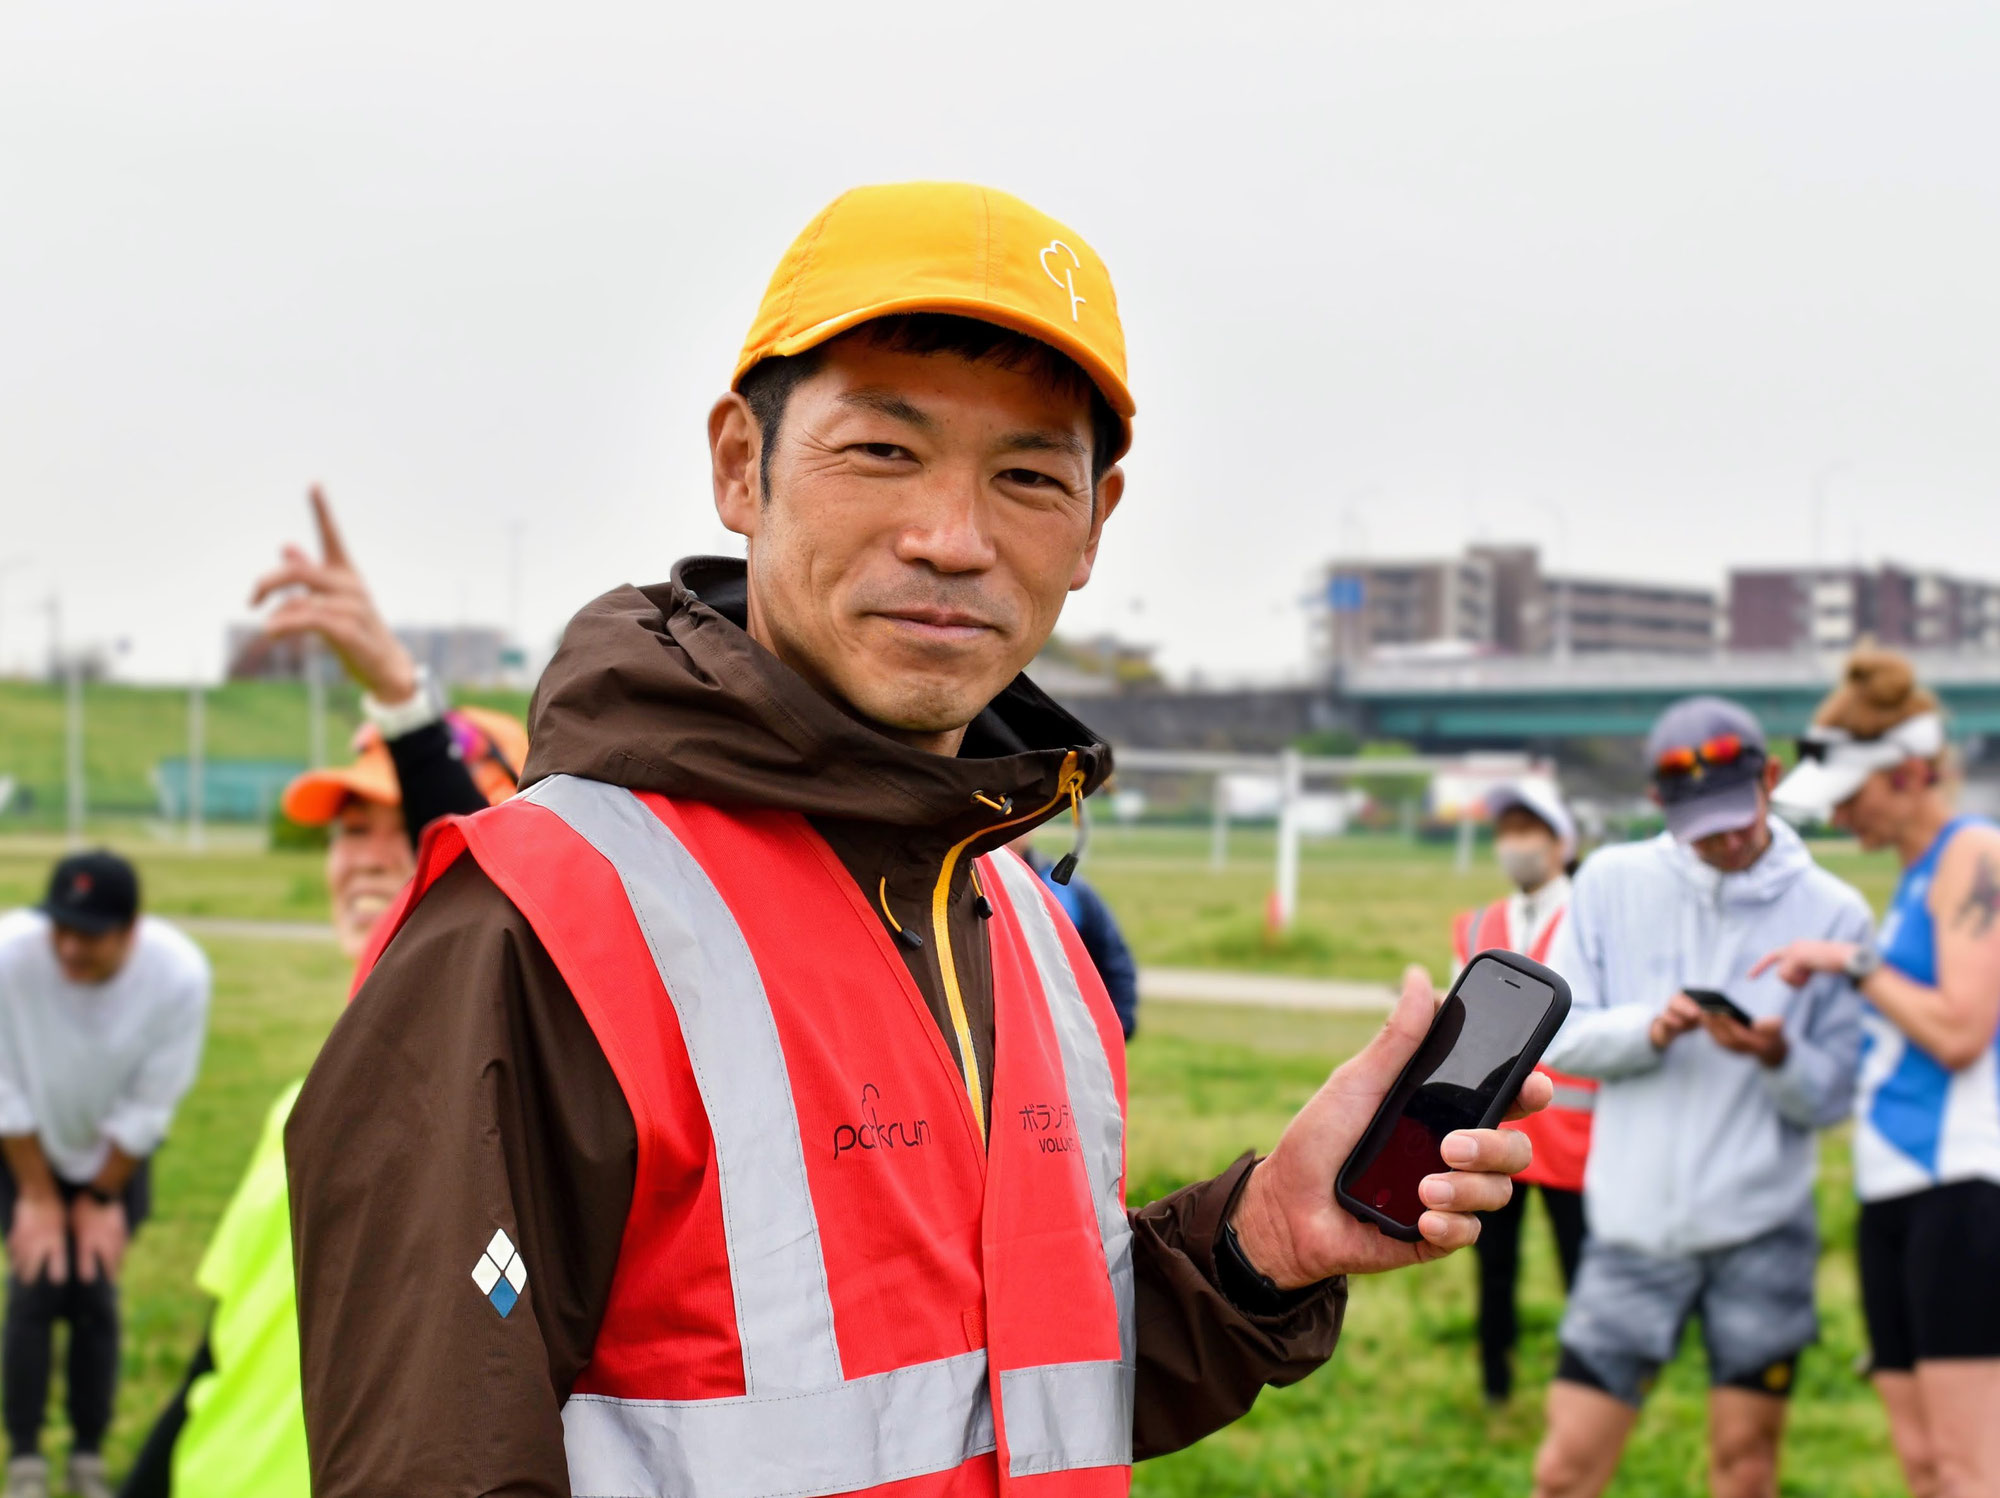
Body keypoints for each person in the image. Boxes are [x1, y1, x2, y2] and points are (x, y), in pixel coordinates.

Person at [284, 180, 1551, 1496]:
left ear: (1095, 527)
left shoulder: (1028, 926)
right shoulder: (535, 925)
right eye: (882, 451)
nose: (953, 539)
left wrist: (1260, 1240)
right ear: (739, 465)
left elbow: (1013, 1397)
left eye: (1027, 477)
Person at [114, 493, 525, 1498]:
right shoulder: (301, 1098)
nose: (366, 860)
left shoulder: (510, 1114)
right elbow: (228, 1353)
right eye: (348, 828)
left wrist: (402, 698)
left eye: (402, 827)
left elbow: (498, 908)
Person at [1529, 697, 1872, 1498]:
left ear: (1773, 779)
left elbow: (1830, 1100)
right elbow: (1559, 1035)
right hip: (1630, 1231)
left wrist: (1778, 1056)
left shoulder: (1835, 913)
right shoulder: (1612, 881)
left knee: (1746, 1471)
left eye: (1738, 817)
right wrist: (1651, 1028)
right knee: (1564, 1470)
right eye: (1702, 824)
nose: (1724, 838)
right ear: (1659, 804)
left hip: (1762, 1234)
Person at [1757, 647, 2000, 1497]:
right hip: (1891, 1189)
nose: (1840, 820)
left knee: (1972, 1470)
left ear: (1907, 774)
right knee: (1924, 1464)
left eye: (1850, 798)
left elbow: (1963, 1032)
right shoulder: (1911, 878)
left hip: (1962, 1188)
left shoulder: (1975, 855)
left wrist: (1853, 964)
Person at [0, 853, 209, 1498]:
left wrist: (99, 1196)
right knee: (36, 1288)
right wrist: (37, 1194)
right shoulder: (10, 954)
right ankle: (28, 1460)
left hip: (114, 1155)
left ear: (131, 929)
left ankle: (88, 1455)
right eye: (59, 928)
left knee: (92, 1290)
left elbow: (152, 1104)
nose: (68, 947)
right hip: (22, 1148)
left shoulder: (178, 976)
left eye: (88, 935)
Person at [1451, 783, 1592, 1405]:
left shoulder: (1592, 916)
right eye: (1507, 828)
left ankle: (1586, 1386)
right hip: (1497, 1129)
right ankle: (1495, 1383)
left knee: (1581, 1270)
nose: (1517, 842)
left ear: (1564, 841)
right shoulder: (1480, 924)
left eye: (1529, 827)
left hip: (1573, 1137)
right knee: (1493, 1266)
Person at [1011, 833, 1138, 1038]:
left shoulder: (1065, 888)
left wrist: (1120, 1025)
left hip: (1064, 1033)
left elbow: (1112, 957)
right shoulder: (966, 887)